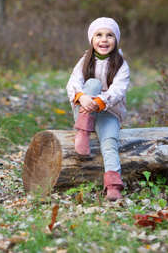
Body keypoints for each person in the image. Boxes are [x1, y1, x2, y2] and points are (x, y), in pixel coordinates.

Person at [66, 17, 130, 201]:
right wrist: (83, 97)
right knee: (92, 83)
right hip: (84, 109)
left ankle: (112, 184)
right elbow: (73, 83)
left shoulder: (121, 64)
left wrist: (100, 101)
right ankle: (83, 132)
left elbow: (118, 90)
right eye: (99, 35)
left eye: (109, 35)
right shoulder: (84, 61)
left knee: (110, 142)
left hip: (107, 111)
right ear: (91, 39)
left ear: (116, 40)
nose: (104, 40)